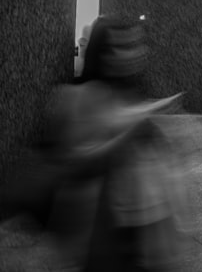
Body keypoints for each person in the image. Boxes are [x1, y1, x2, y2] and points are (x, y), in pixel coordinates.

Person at [34, 15, 187, 270]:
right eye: (123, 47)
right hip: (99, 225)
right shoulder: (78, 97)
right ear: (103, 53)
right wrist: (128, 134)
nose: (136, 53)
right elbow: (76, 161)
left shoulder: (132, 92)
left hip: (139, 221)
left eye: (136, 44)